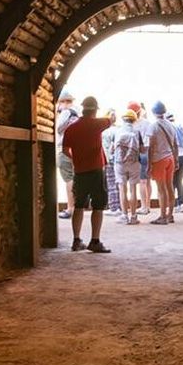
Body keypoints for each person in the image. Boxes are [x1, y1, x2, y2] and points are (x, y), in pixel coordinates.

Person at [60, 96, 114, 253]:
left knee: (78, 205)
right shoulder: (97, 124)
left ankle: (76, 240)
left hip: (80, 171)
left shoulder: (71, 128)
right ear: (95, 110)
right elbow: (111, 119)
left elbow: (64, 150)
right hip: (96, 170)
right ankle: (95, 241)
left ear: (82, 109)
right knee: (98, 206)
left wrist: (76, 158)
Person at [143, 101, 178, 223]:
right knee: (169, 187)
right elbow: (175, 145)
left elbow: (151, 147)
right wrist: (176, 159)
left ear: (153, 112)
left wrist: (148, 164)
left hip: (159, 160)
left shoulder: (153, 126)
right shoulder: (171, 125)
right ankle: (170, 215)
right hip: (170, 158)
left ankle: (163, 216)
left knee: (161, 188)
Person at [113, 109, 145, 225]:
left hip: (119, 163)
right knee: (133, 190)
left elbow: (113, 148)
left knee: (122, 189)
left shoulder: (117, 131)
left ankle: (124, 215)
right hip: (134, 163)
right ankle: (134, 216)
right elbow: (142, 149)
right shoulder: (137, 132)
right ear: (134, 120)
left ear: (123, 119)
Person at [54, 93, 78, 219]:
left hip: (64, 148)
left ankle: (70, 208)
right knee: (74, 177)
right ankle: (76, 206)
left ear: (63, 102)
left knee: (68, 178)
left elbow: (58, 129)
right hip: (76, 148)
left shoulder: (66, 112)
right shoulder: (78, 113)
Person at [127, 101, 151, 216]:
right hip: (148, 152)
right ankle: (148, 204)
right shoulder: (147, 123)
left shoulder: (132, 125)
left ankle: (144, 207)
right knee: (147, 181)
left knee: (142, 181)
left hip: (138, 153)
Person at [101, 109, 121, 213]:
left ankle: (113, 207)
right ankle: (121, 206)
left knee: (111, 183)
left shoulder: (104, 132)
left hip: (109, 160)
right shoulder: (119, 130)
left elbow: (104, 149)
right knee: (120, 183)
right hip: (120, 160)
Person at [168, 112, 183, 213]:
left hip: (175, 156)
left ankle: (174, 203)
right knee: (179, 181)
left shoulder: (169, 127)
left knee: (172, 182)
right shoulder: (180, 126)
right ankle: (182, 203)